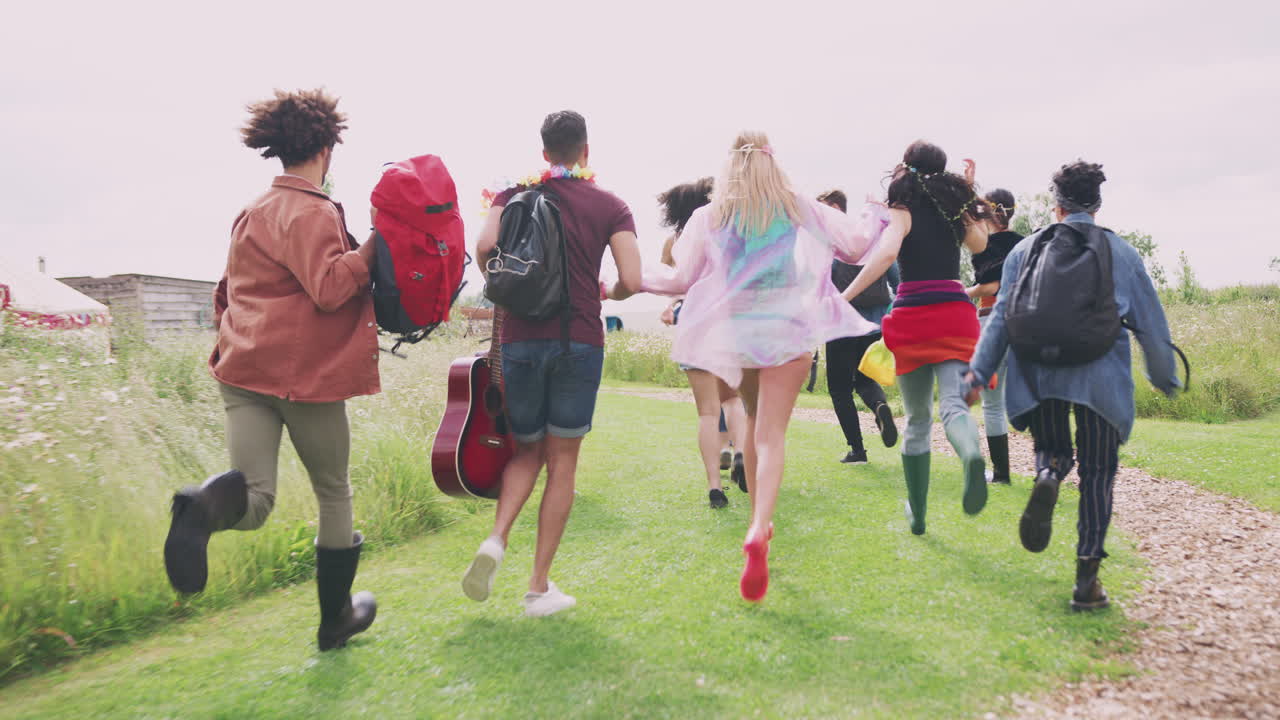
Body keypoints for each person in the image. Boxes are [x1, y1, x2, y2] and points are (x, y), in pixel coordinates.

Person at [618, 131, 886, 602]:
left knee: (752, 418)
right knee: (771, 434)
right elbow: (856, 245)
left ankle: (756, 525)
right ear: (771, 161)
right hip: (787, 331)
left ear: (730, 166)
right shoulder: (795, 204)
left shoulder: (711, 215)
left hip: (739, 335)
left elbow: (680, 278)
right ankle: (760, 526)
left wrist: (622, 278)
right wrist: (875, 210)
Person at [163, 88, 379, 651]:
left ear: (279, 148)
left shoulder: (252, 211)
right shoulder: (313, 211)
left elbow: (227, 292)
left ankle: (201, 508)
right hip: (303, 378)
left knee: (255, 500)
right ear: (327, 149)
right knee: (333, 490)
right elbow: (329, 288)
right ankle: (335, 620)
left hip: (242, 371)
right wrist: (373, 249)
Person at [965, 161, 1180, 610]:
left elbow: (1001, 316)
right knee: (1098, 473)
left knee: (1054, 450)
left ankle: (1048, 473)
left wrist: (978, 373)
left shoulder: (1026, 249)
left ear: (1057, 205)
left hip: (1039, 372)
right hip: (1101, 376)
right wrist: (1164, 377)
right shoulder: (1121, 253)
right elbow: (1150, 324)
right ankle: (1086, 581)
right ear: (1096, 205)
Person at [465, 110, 642, 617]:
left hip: (520, 341)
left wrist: (510, 286)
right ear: (586, 150)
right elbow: (632, 278)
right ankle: (538, 587)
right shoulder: (609, 204)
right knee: (562, 462)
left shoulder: (511, 195)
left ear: (544, 153)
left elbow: (484, 247)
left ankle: (496, 538)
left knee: (527, 451)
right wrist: (610, 291)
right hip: (578, 340)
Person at [841, 140, 991, 535]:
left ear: (906, 166)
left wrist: (845, 296)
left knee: (918, 419)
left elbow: (887, 255)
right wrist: (969, 196)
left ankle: (919, 514)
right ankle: (971, 455)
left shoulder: (902, 205)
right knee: (954, 406)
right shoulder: (954, 206)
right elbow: (980, 244)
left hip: (913, 316)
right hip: (954, 312)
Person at [657, 178, 750, 507]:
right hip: (726, 321)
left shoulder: (676, 242)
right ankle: (741, 454)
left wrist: (670, 305)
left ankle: (714, 487)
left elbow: (674, 281)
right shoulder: (727, 236)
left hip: (694, 322)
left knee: (707, 414)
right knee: (733, 400)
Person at [817, 189, 900, 465]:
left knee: (840, 389)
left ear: (835, 208)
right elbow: (897, 280)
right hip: (874, 325)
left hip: (840, 326)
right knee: (865, 379)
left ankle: (857, 450)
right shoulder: (870, 239)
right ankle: (879, 406)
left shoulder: (829, 245)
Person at [965, 188, 1021, 484]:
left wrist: (964, 292)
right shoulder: (1024, 244)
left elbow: (989, 286)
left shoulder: (987, 246)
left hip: (991, 320)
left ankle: (1001, 473)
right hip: (1024, 322)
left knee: (993, 403)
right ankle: (1048, 469)